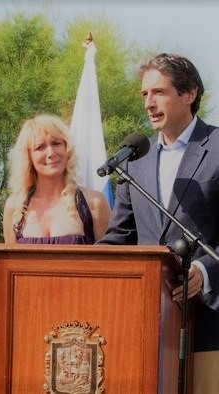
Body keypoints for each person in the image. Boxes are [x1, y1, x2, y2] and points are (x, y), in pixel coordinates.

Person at [98, 53, 219, 393]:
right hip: (145, 331)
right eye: (144, 95)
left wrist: (204, 271)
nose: (149, 103)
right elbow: (119, 237)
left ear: (189, 93)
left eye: (158, 92)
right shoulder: (135, 162)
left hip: (209, 325)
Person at [3, 113, 111, 244]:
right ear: (28, 157)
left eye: (56, 143)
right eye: (40, 147)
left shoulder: (94, 203)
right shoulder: (14, 207)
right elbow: (8, 262)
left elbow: (110, 261)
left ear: (67, 149)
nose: (51, 153)